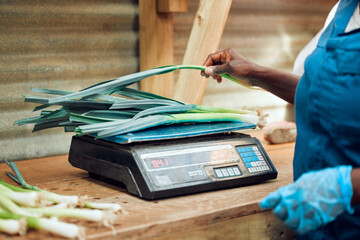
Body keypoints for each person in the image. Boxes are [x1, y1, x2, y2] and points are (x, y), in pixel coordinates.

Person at [201, 0, 360, 239]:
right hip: (318, 227)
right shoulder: (343, 10)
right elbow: (324, 91)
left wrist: (344, 187)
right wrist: (254, 73)